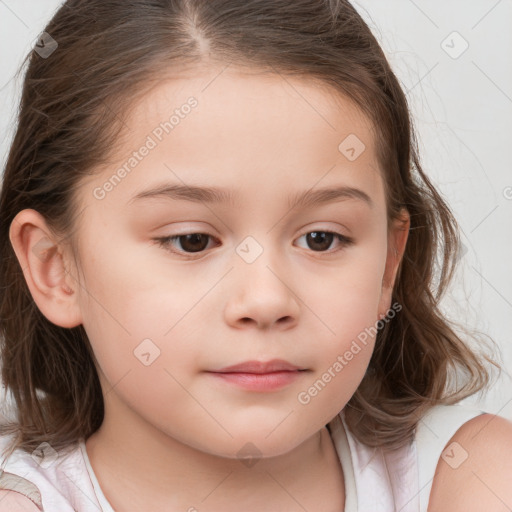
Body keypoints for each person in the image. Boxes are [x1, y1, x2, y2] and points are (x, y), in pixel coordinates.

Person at [0, 0, 511, 510]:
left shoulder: (474, 479)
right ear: (55, 267)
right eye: (191, 240)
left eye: (321, 238)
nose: (266, 300)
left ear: (388, 266)